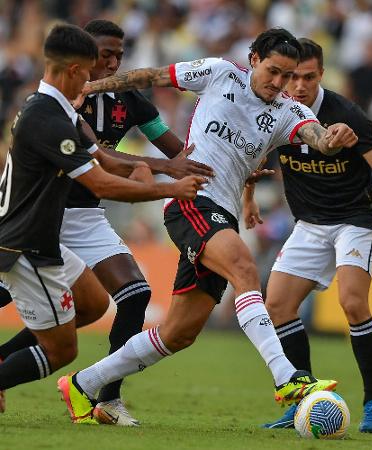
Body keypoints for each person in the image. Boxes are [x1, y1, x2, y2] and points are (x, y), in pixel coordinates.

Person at [57, 28, 358, 425]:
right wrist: (94, 85)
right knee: (244, 268)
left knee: (178, 333)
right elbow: (151, 76)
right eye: (273, 71)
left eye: (287, 75)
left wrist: (336, 136)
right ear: (253, 60)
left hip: (224, 214)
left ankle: (81, 383)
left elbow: (318, 138)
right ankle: (288, 378)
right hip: (191, 201)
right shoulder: (219, 73)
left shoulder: (290, 111)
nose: (280, 82)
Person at [0, 19, 215, 427]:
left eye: (119, 54)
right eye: (103, 56)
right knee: (60, 345)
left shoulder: (92, 105)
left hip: (66, 223)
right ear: (77, 66)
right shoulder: (53, 114)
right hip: (35, 228)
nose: (113, 63)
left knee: (106, 301)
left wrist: (218, 165)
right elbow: (102, 173)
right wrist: (168, 184)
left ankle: (107, 397)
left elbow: (112, 159)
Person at [242, 38, 372, 433]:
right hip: (309, 224)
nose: (297, 86)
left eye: (308, 78)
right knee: (276, 305)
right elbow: (254, 154)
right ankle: (304, 397)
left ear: (322, 75)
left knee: (351, 302)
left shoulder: (347, 115)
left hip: (355, 220)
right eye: (292, 77)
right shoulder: (277, 109)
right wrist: (248, 199)